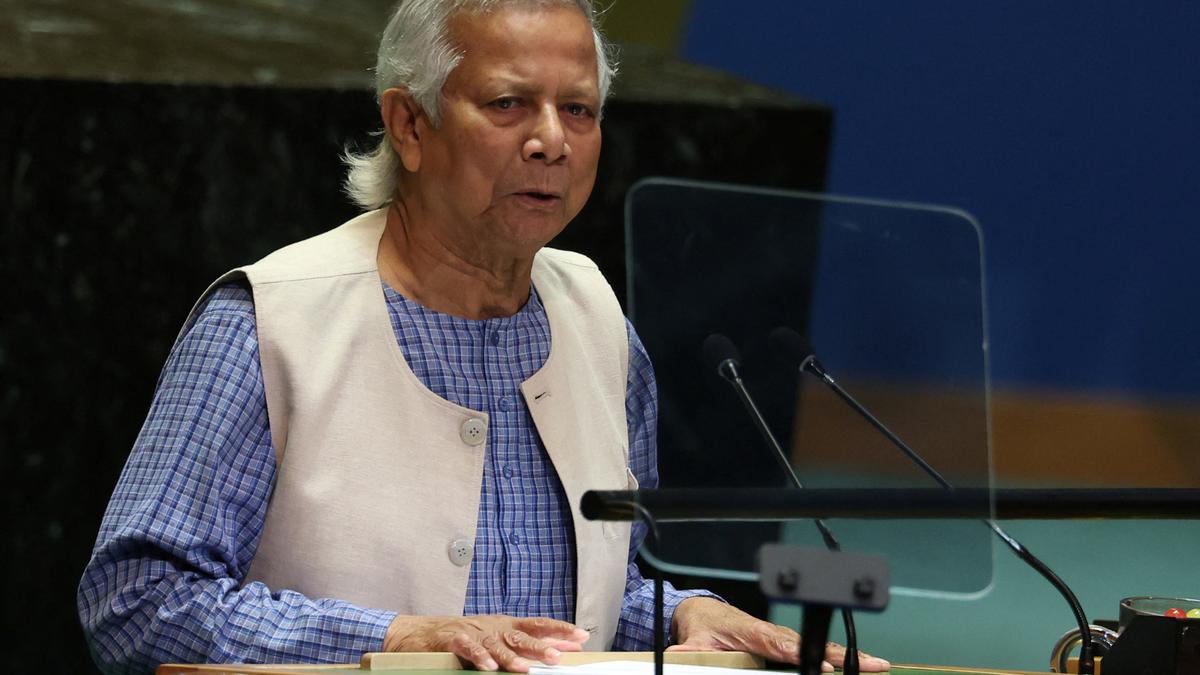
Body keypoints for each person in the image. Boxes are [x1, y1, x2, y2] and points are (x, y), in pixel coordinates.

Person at [77, 1, 891, 673]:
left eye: (579, 110)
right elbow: (137, 602)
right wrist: (393, 639)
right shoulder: (267, 322)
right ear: (409, 123)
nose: (552, 140)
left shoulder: (597, 320)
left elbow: (587, 600)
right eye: (509, 104)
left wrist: (686, 614)